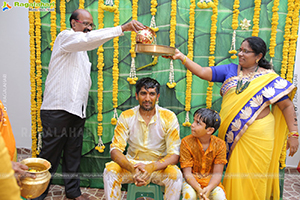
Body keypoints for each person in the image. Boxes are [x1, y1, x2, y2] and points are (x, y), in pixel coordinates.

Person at [165, 36, 299, 199]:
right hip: (233, 134)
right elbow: (202, 72)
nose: (240, 54)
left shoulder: (269, 78)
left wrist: (294, 134)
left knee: (256, 177)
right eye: (240, 50)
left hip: (261, 135)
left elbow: (286, 106)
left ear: (258, 56)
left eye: (246, 51)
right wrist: (181, 57)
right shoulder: (230, 70)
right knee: (235, 174)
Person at [34, 9, 145, 200]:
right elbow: (86, 40)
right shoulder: (65, 37)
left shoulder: (83, 53)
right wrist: (122, 28)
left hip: (77, 110)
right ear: (73, 23)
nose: (88, 28)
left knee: (73, 153)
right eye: (85, 23)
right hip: (57, 109)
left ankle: (73, 193)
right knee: (49, 156)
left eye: (91, 25)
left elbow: (90, 42)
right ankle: (36, 194)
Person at [103, 77, 183, 200]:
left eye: (152, 94)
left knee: (176, 176)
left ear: (157, 97)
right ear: (136, 95)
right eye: (143, 93)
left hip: (158, 168)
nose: (147, 99)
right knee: (109, 172)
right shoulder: (127, 116)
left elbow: (174, 155)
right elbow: (115, 150)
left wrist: (152, 167)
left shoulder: (169, 117)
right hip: (132, 166)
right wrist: (132, 169)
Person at [180, 108, 227, 200]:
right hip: (191, 182)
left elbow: (217, 174)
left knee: (220, 197)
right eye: (193, 120)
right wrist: (198, 189)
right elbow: (187, 173)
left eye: (198, 123)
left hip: (211, 184)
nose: (192, 125)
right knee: (189, 196)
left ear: (209, 130)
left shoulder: (220, 145)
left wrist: (208, 189)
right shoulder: (186, 142)